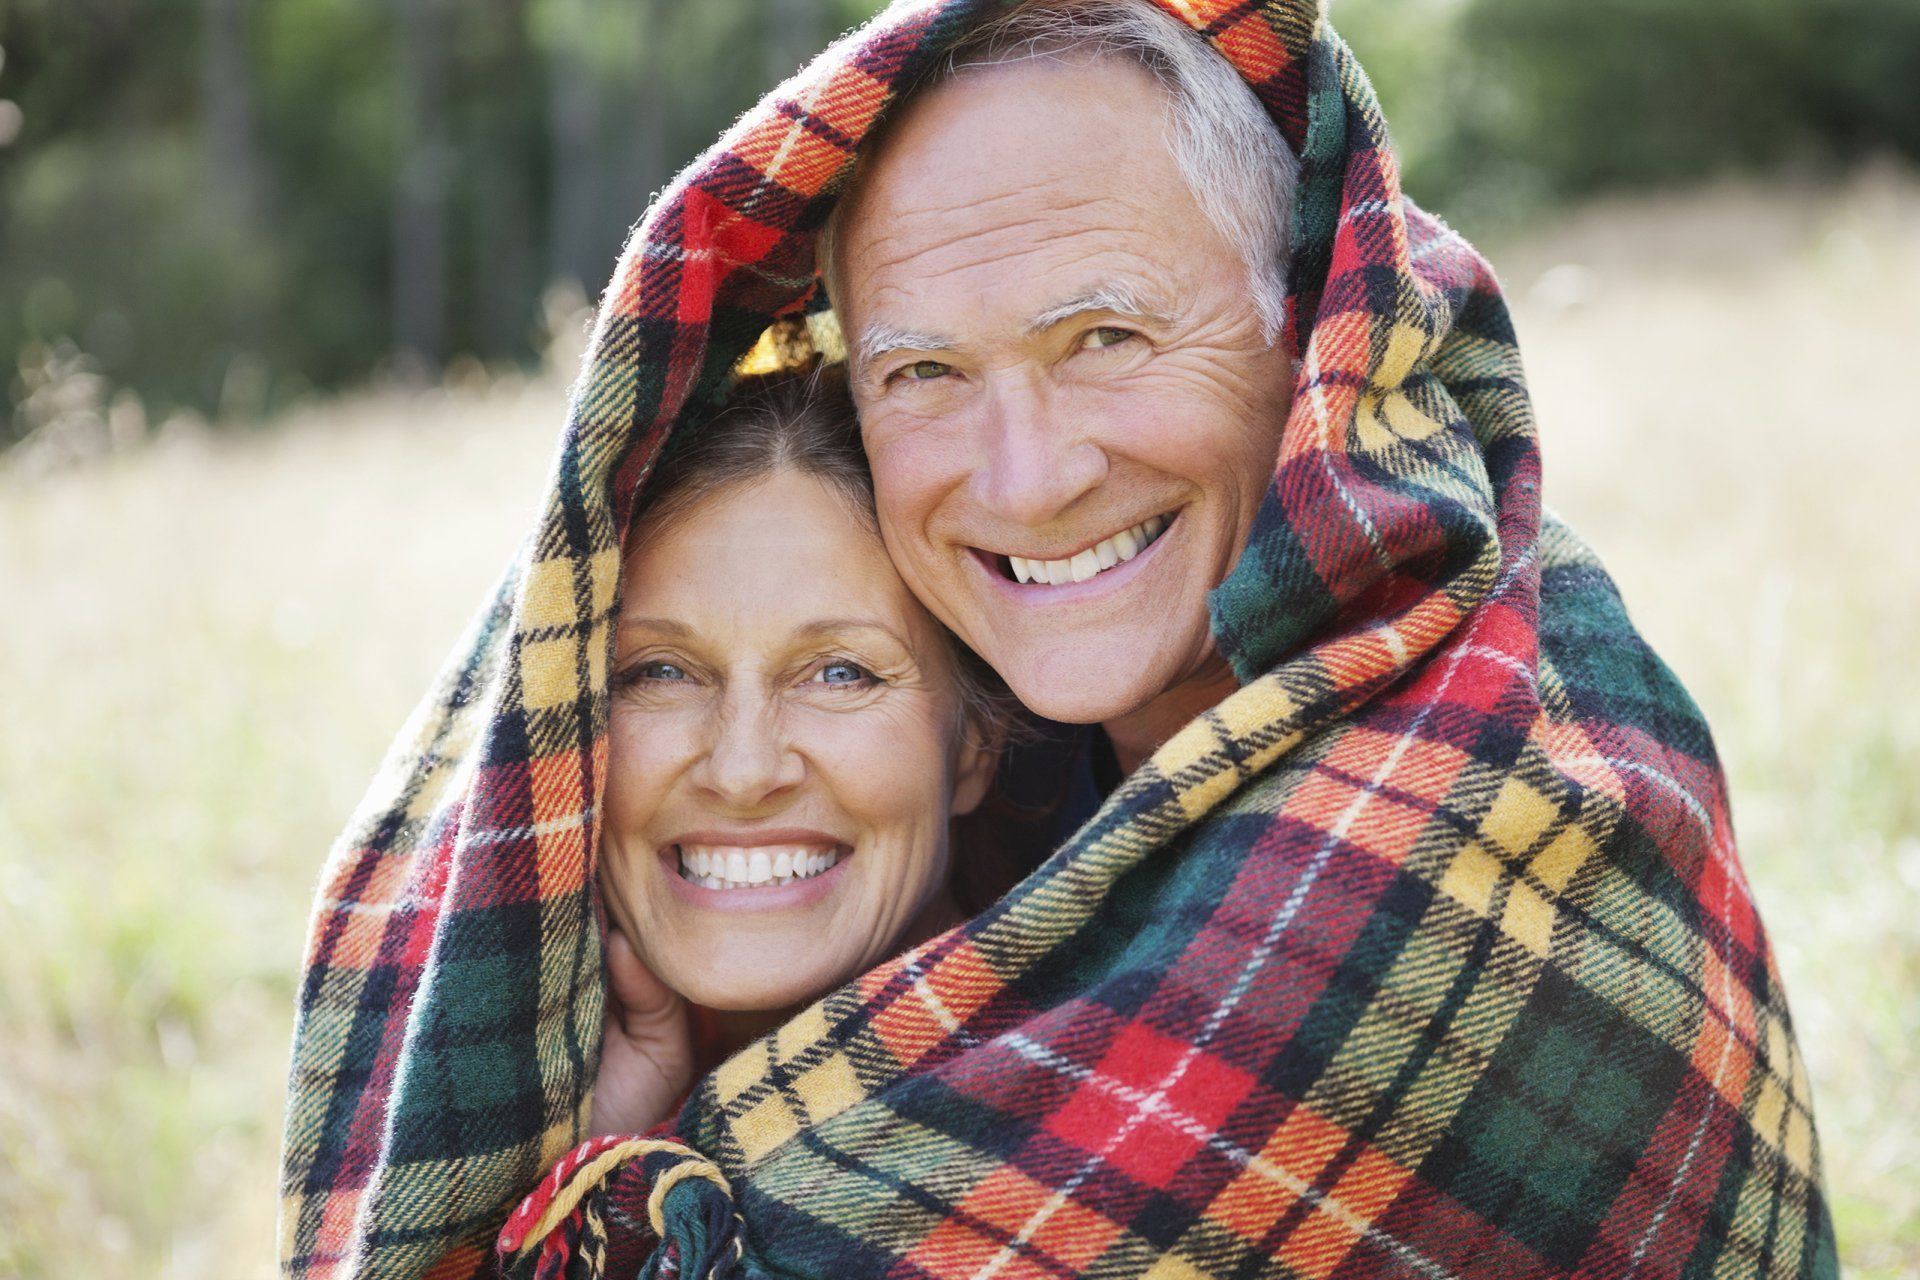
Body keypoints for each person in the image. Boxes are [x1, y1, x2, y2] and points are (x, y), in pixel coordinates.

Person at [281, 2, 1838, 1278]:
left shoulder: (1501, 794)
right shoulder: (1052, 788)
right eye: (924, 374)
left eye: (1105, 339)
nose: (1027, 480)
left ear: (1294, 325)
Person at [586, 368, 1039, 1141]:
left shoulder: (1064, 1115)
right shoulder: (582, 1108)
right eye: (660, 672)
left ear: (975, 745)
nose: (742, 770)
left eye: (840, 673)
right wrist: (602, 1154)